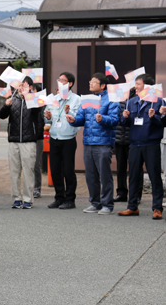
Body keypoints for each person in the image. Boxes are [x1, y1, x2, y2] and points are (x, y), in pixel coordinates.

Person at [67, 73, 119, 215]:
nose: (90, 83)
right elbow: (81, 118)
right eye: (90, 81)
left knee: (105, 175)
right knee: (90, 175)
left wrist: (102, 119)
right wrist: (73, 119)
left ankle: (107, 204)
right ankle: (95, 203)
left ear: (102, 85)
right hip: (88, 142)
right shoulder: (87, 99)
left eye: (94, 82)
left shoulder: (111, 99)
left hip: (103, 142)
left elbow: (115, 120)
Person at [117, 74, 166, 219]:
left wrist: (156, 116)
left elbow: (164, 123)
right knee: (133, 176)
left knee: (154, 176)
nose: (135, 87)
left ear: (147, 87)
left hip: (151, 144)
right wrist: (124, 117)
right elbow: (125, 124)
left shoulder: (158, 101)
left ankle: (157, 208)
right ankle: (132, 207)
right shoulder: (131, 102)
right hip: (135, 144)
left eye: (138, 84)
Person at [0, 76, 44, 209]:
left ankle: (28, 199)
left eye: (24, 85)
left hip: (29, 141)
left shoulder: (34, 100)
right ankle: (16, 198)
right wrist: (6, 105)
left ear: (30, 87)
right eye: (19, 85)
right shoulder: (13, 99)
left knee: (29, 170)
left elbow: (37, 111)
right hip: (14, 140)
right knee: (14, 171)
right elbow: (1, 115)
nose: (21, 88)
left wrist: (27, 97)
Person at [44, 72, 81, 209]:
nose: (60, 82)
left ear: (70, 83)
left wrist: (69, 112)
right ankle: (59, 197)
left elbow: (78, 119)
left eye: (63, 80)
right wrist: (47, 116)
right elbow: (48, 119)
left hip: (68, 139)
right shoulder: (53, 98)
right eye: (58, 80)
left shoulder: (76, 99)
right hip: (54, 138)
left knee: (68, 170)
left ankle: (70, 199)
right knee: (55, 170)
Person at [114, 84, 143, 203]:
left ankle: (136, 194)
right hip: (119, 138)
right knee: (120, 168)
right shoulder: (120, 97)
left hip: (134, 139)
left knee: (136, 168)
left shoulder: (140, 97)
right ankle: (121, 193)